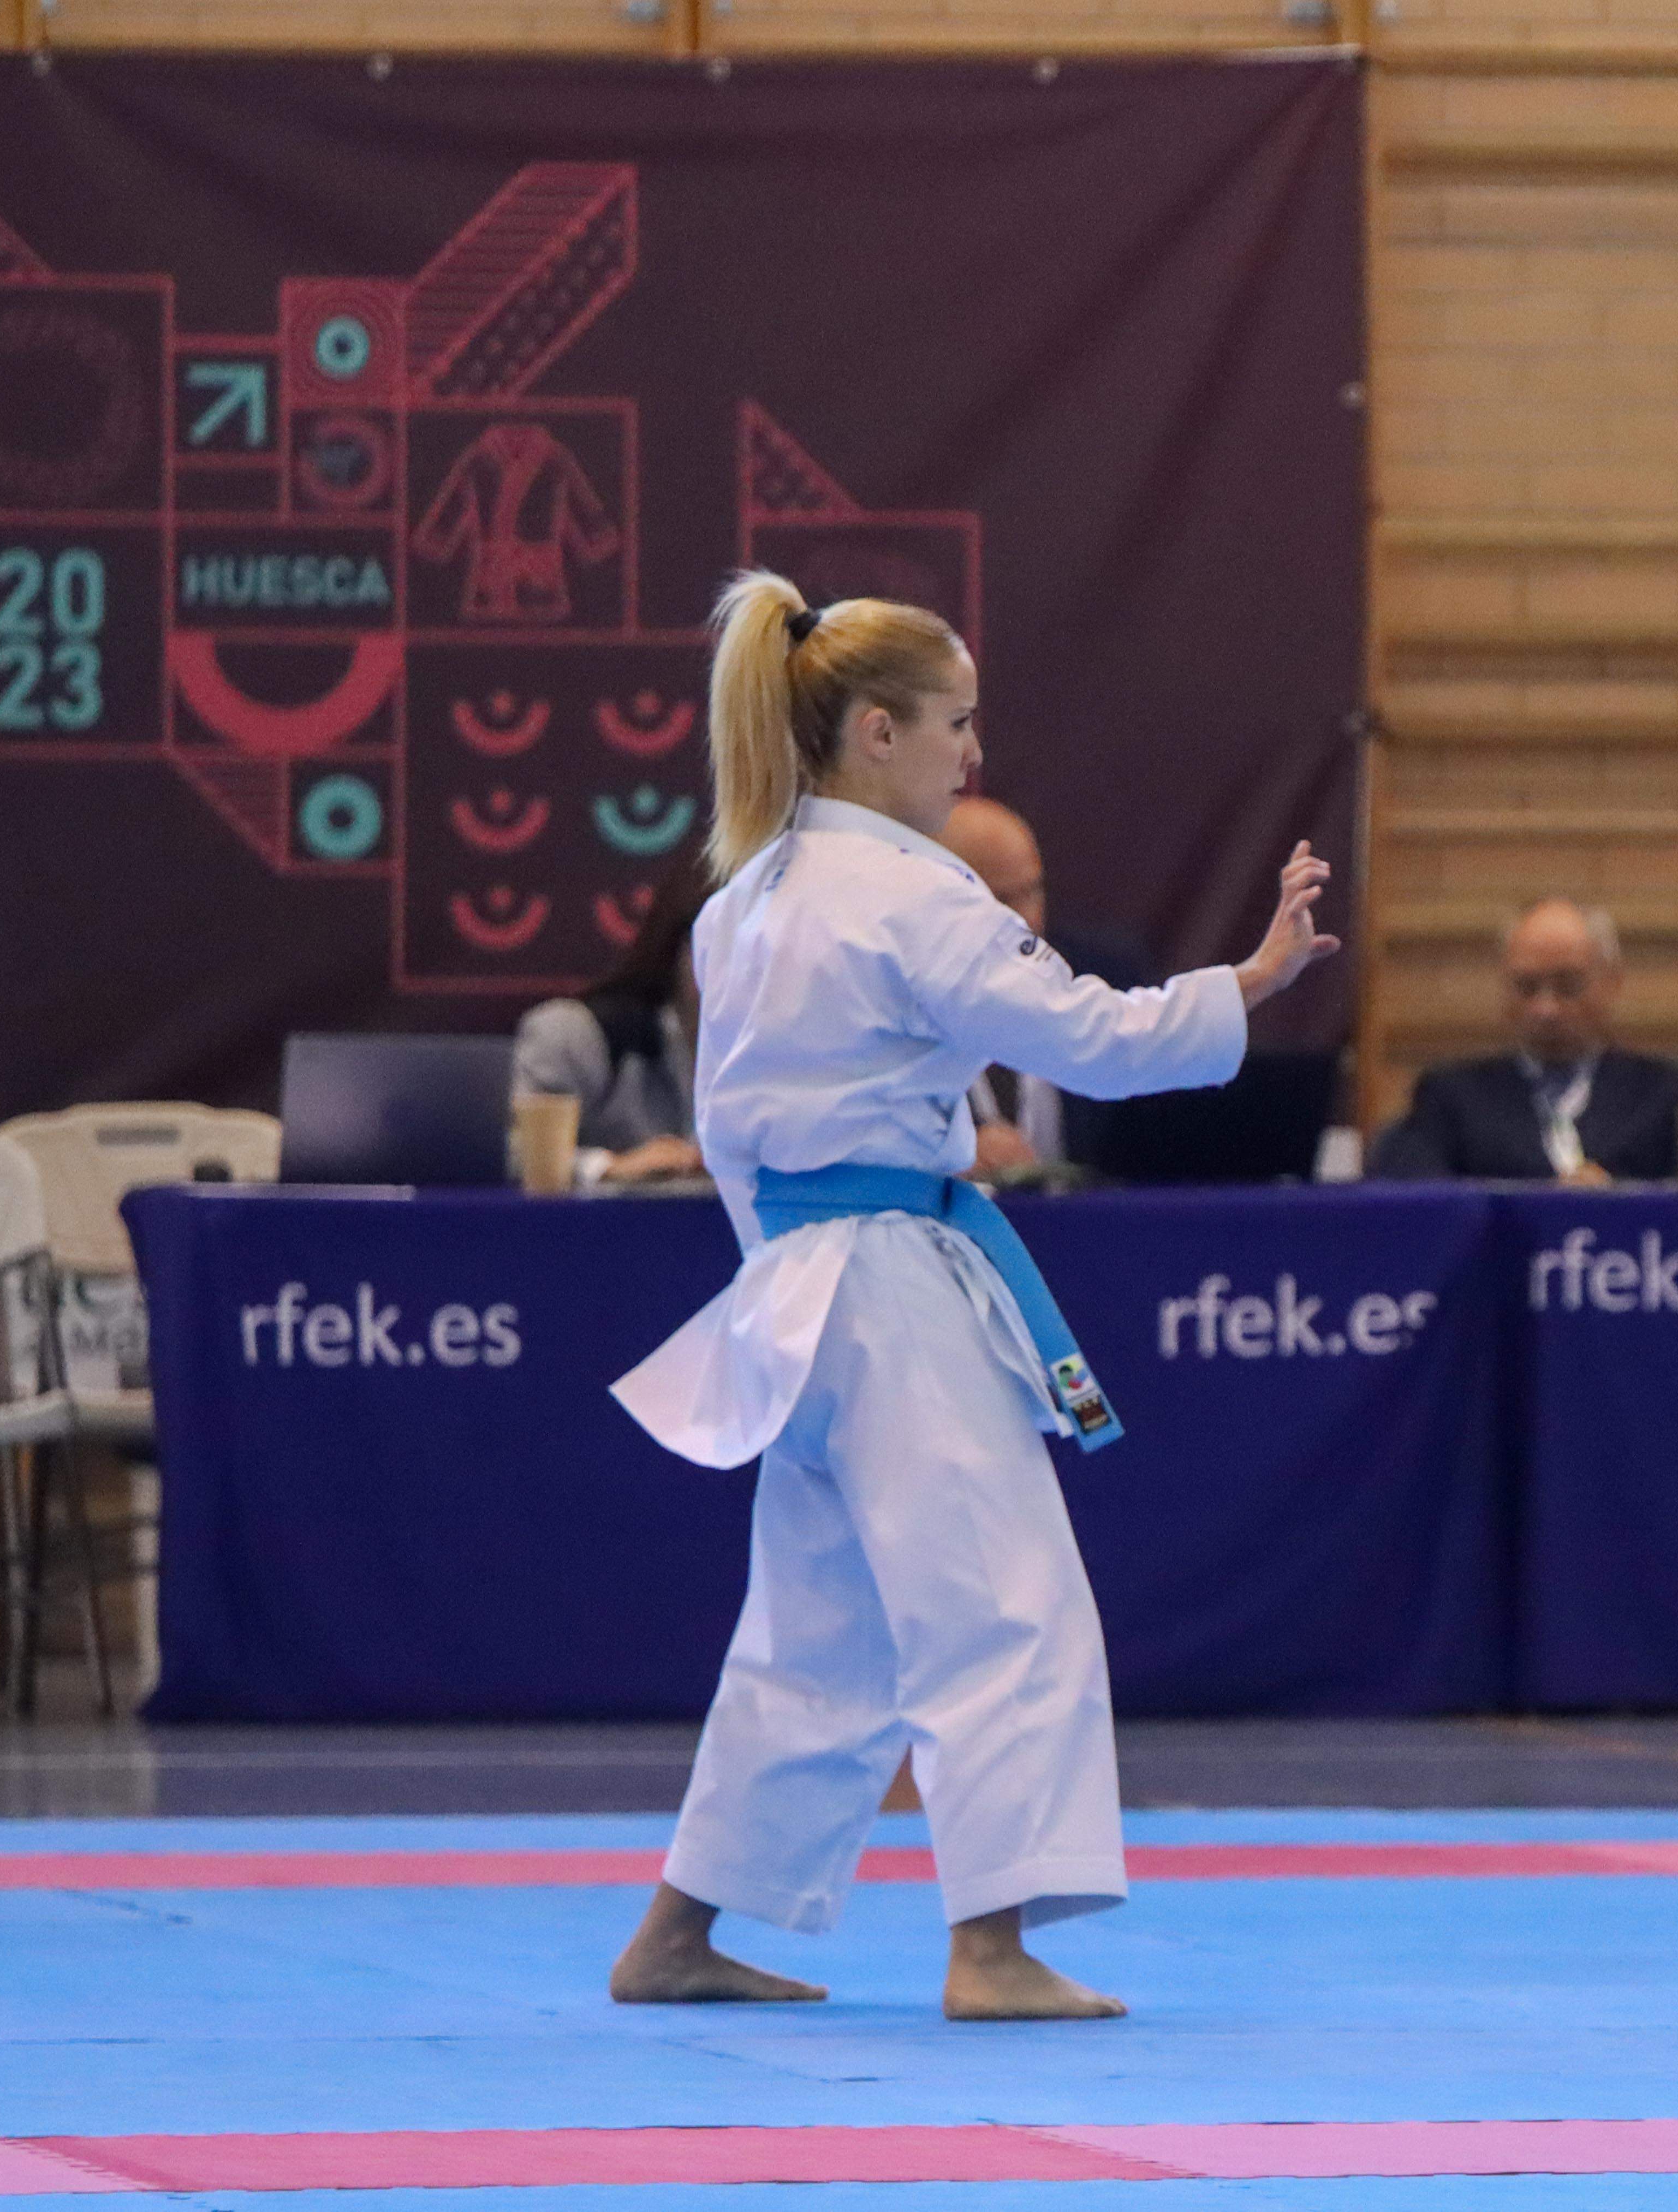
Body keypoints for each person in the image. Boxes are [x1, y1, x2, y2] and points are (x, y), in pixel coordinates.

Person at [604, 571, 1336, 2019]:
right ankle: (991, 1947)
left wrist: (783, 1270)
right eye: (957, 723)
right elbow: (1093, 1038)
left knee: (823, 1630)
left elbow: (741, 1132)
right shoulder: (913, 898)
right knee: (1005, 1605)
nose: (971, 754)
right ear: (875, 732)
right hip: (885, 1291)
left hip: (794, 1291)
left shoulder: (742, 896)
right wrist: (1251, 978)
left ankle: (676, 1933)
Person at [1366, 897, 1678, 1183]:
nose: (1546, 1009)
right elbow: (1416, 1201)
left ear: (1612, 982)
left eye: (1568, 985)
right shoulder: (1452, 1097)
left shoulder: (1670, 1095)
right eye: (1527, 987)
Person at [510, 873, 711, 1184]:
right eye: (721, 949)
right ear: (677, 952)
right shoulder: (573, 1035)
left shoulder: (785, 1059)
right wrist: (609, 1168)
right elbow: (521, 1157)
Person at [935, 794, 1065, 1178]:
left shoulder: (1100, 978)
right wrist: (944, 1159)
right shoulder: (887, 1009)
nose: (1025, 919)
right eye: (1002, 899)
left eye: (1032, 891)